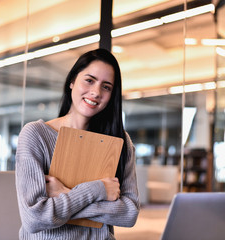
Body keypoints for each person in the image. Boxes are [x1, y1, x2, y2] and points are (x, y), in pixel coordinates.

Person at [15, 48, 140, 239]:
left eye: (106, 86)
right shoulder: (35, 135)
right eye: (89, 80)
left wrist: (67, 193)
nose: (96, 92)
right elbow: (34, 218)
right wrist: (98, 189)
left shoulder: (120, 141)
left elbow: (129, 213)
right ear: (72, 82)